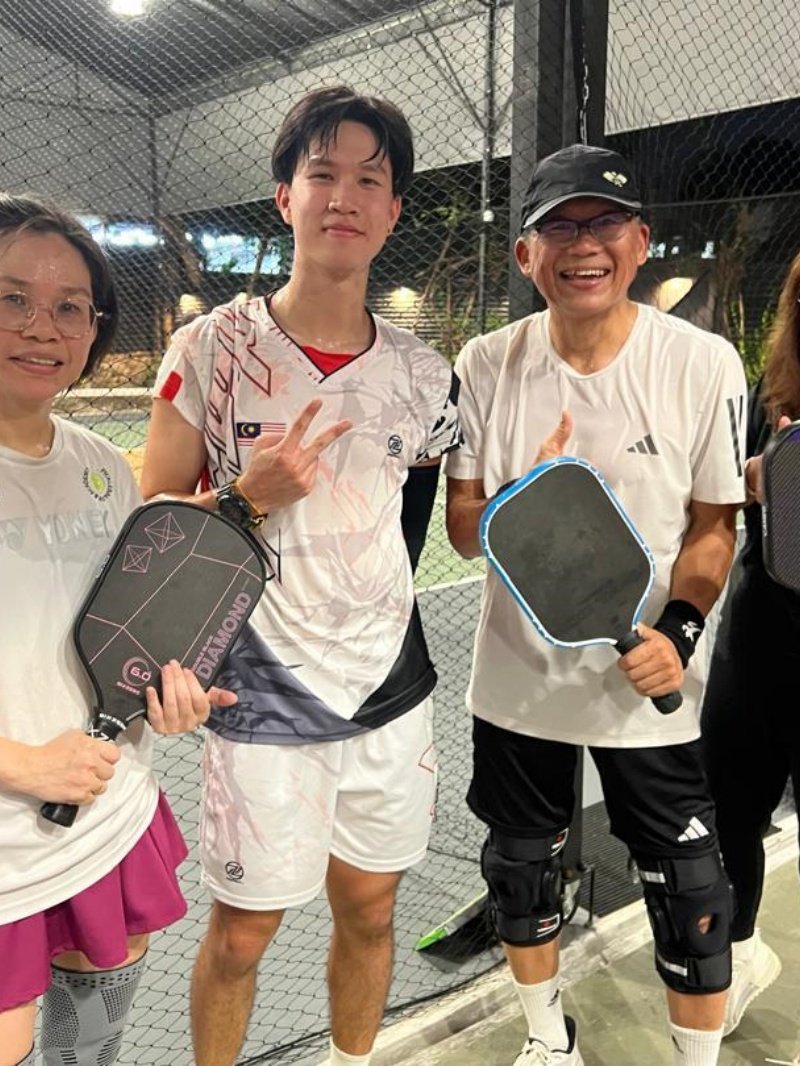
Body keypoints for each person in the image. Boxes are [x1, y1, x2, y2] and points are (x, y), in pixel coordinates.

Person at [139, 86, 460, 1066]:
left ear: (394, 209)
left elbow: (419, 526)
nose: (344, 196)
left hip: (388, 690)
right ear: (285, 195)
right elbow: (148, 535)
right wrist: (249, 497)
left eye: (370, 179)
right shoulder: (213, 347)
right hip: (260, 688)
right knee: (241, 933)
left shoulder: (424, 374)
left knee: (369, 909)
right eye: (323, 173)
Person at [445, 143, 747, 1065]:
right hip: (519, 680)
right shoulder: (486, 363)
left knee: (694, 895)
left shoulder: (703, 364)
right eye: (557, 227)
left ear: (641, 240)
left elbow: (713, 527)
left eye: (604, 222)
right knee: (519, 873)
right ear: (526, 255)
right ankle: (548, 1042)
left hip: (646, 681)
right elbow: (463, 527)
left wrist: (680, 631)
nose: (584, 245)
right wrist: (513, 507)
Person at [0, 194, 237, 1066]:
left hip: (107, 821)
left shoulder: (103, 466)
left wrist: (162, 699)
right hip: (4, 858)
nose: (42, 327)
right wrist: (20, 763)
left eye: (70, 307)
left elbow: (117, 633)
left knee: (89, 1053)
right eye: (12, 297)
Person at [700, 252, 800, 1038]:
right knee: (730, 809)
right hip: (760, 635)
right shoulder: (773, 393)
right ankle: (740, 952)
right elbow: (730, 497)